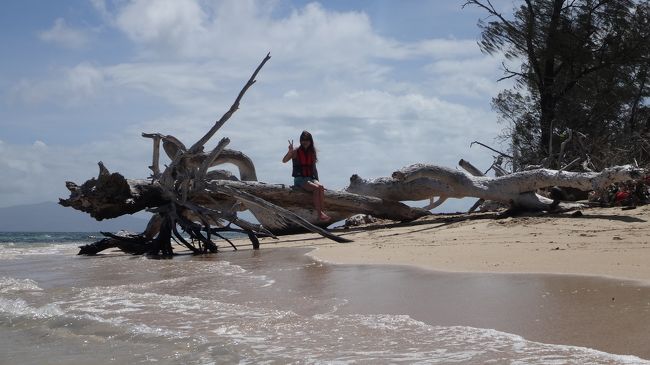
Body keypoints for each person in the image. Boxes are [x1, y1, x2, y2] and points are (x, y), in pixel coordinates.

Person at [282, 131, 331, 222]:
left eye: (307, 140)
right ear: (300, 141)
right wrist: (289, 152)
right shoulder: (296, 151)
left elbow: (314, 168)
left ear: (310, 141)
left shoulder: (312, 152)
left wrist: (317, 180)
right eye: (303, 140)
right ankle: (320, 214)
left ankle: (322, 211)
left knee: (321, 187)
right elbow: (284, 161)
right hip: (300, 179)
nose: (305, 142)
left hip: (310, 178)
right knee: (316, 189)